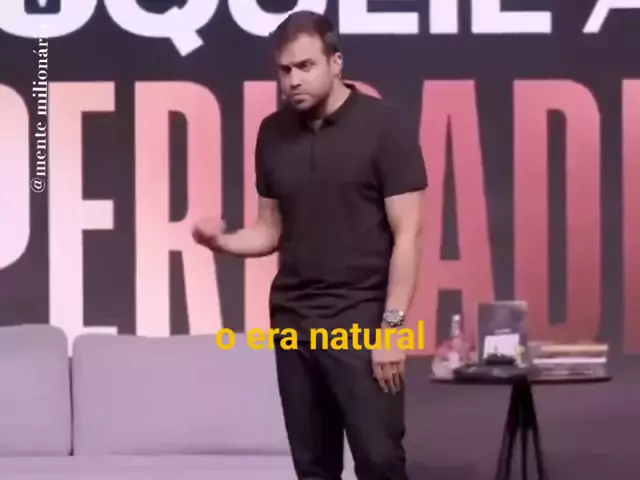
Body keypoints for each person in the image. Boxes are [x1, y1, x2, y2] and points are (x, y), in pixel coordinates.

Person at [192, 10, 427, 480]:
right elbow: (269, 231)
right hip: (293, 320)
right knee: (313, 468)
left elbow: (409, 234)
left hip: (360, 318)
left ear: (336, 62)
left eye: (306, 66)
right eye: (284, 70)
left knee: (380, 461)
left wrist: (393, 329)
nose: (293, 80)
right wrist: (220, 242)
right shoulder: (273, 134)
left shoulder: (385, 126)